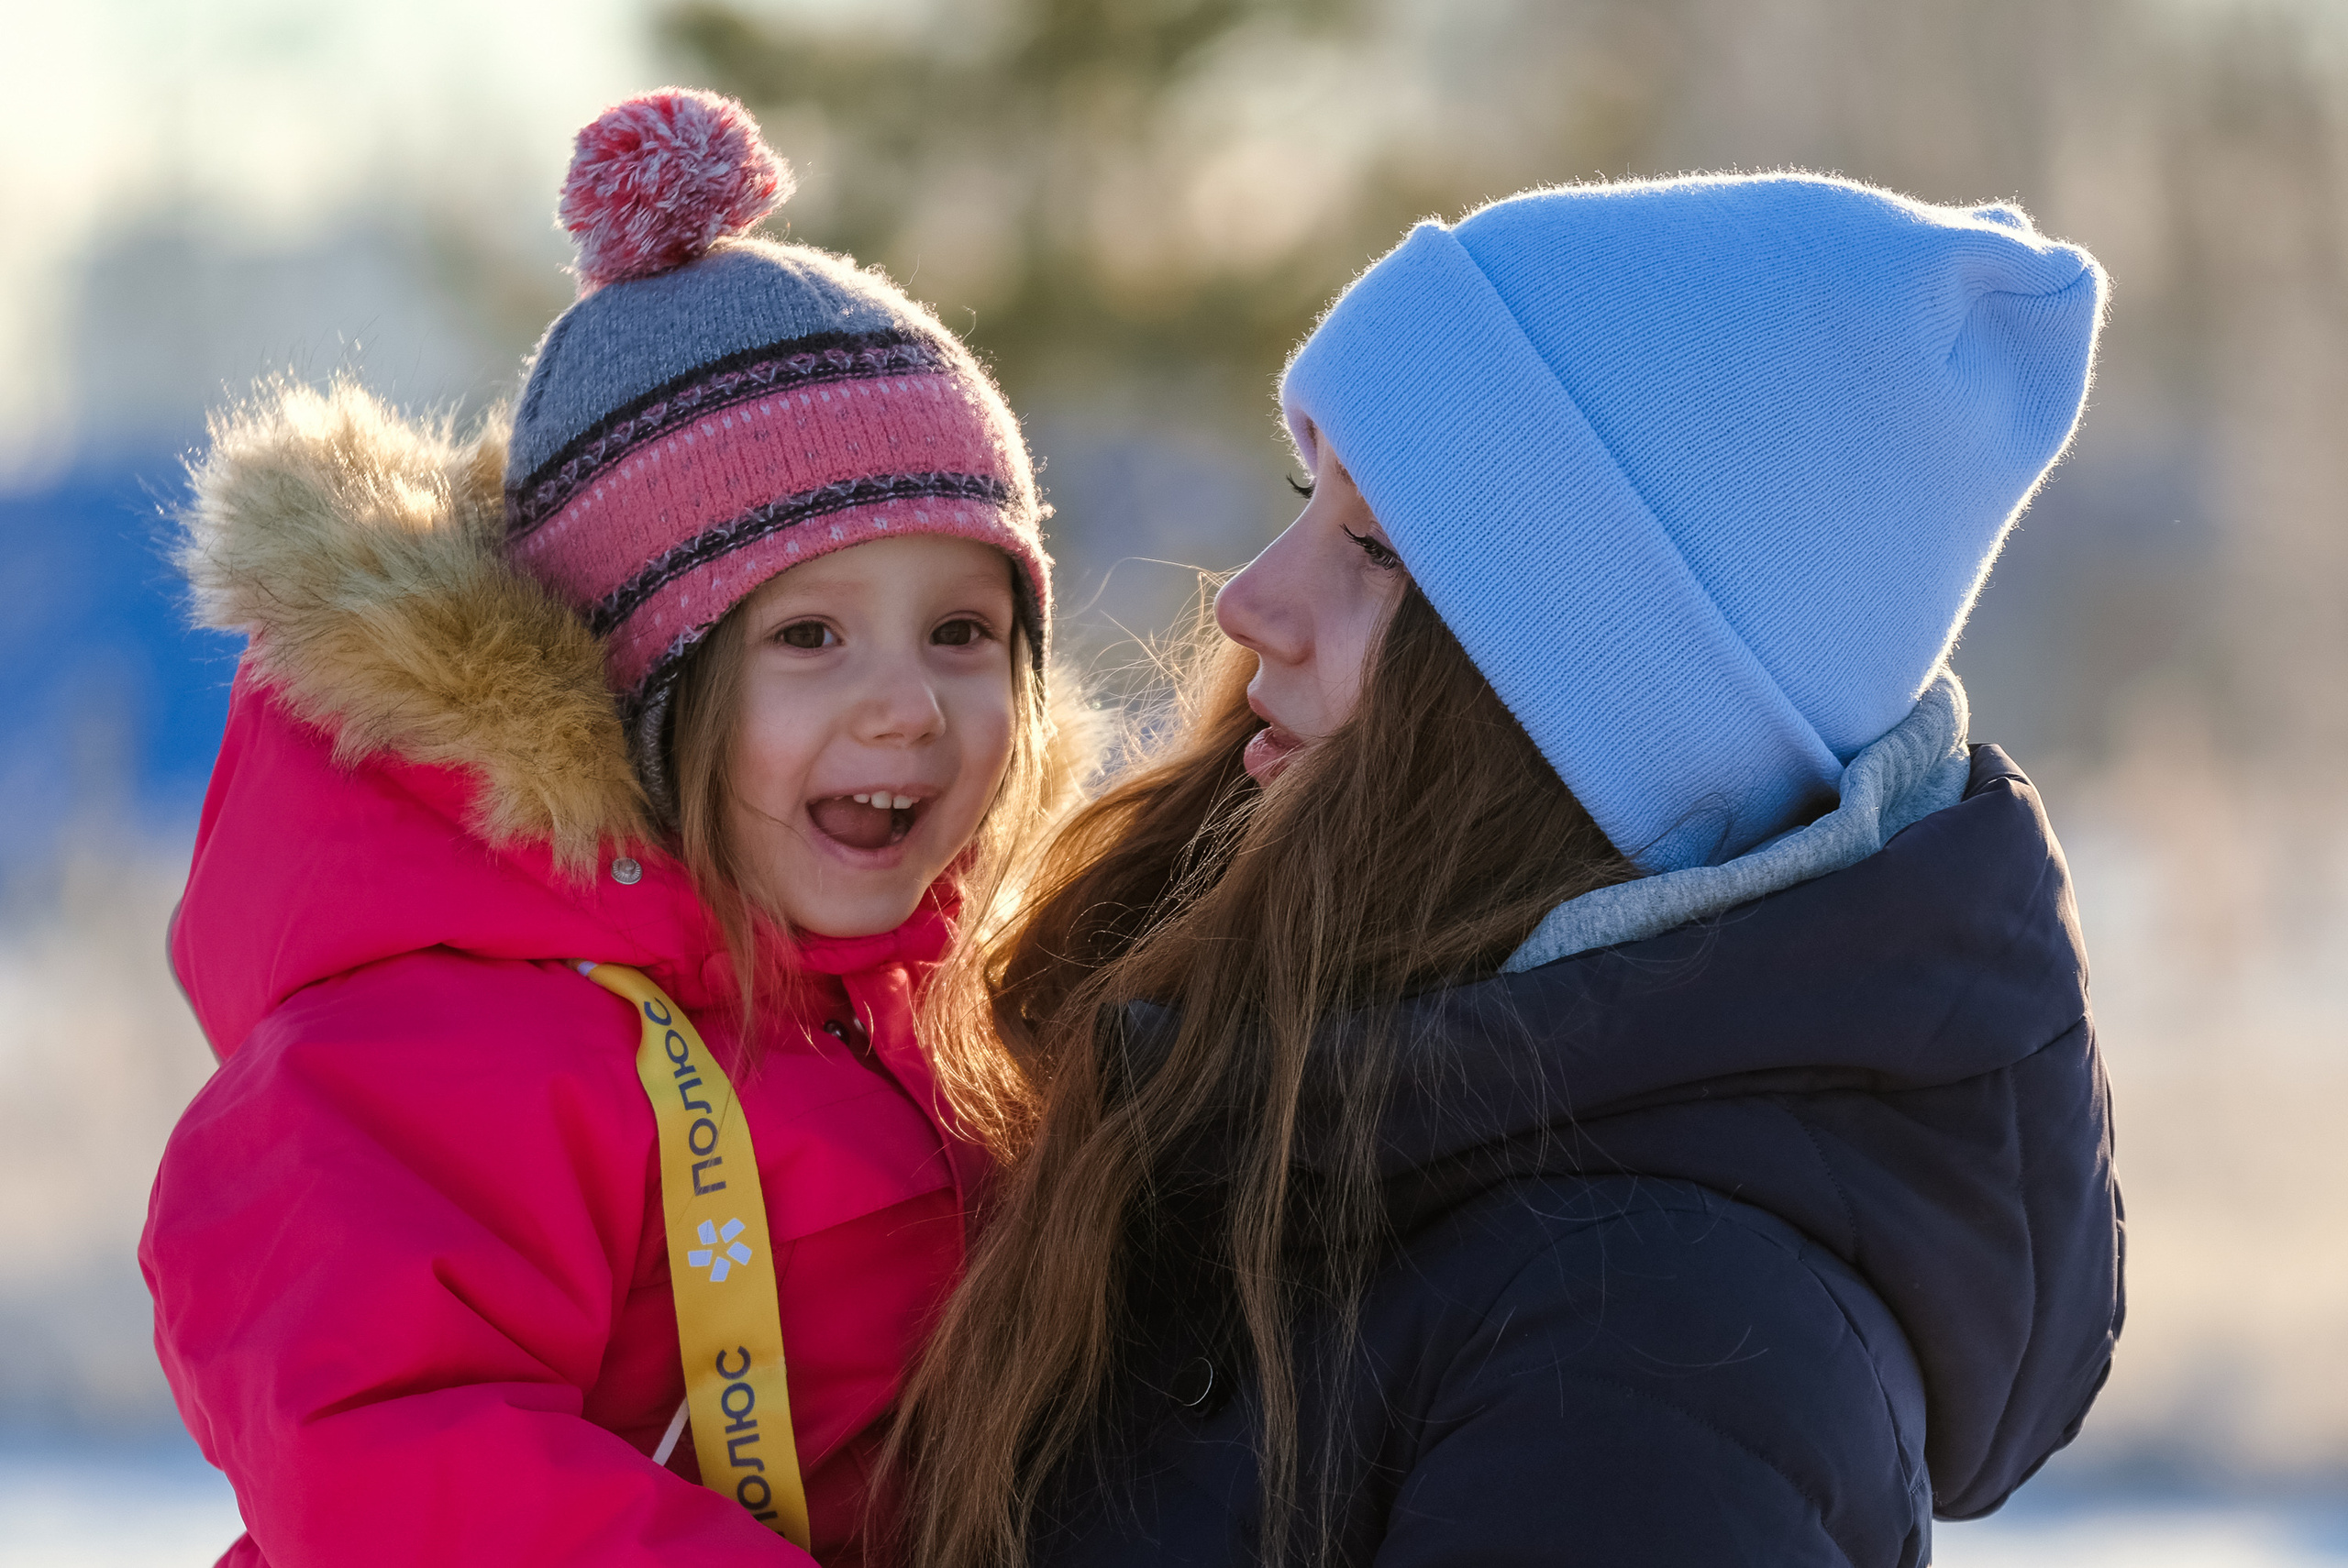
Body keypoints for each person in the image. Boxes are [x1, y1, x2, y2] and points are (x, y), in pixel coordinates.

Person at [890, 173, 2124, 1568]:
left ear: (1574, 724)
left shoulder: (1651, 1354)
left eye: (1374, 550)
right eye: (1313, 492)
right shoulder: (1303, 1107)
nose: (1248, 603)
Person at [139, 89, 1080, 1567]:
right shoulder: (448, 1034)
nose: (910, 707)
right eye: (813, 637)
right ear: (638, 685)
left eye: (962, 630)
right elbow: (392, 1459)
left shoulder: (944, 997)